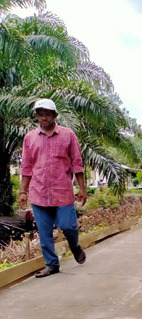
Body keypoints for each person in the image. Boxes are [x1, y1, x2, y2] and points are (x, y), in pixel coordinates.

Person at [19, 98, 87, 278]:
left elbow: (77, 164)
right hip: (39, 193)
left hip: (62, 192)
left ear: (55, 115)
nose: (43, 118)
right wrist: (23, 191)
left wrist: (82, 189)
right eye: (40, 114)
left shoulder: (68, 135)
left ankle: (74, 246)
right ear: (37, 117)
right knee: (44, 233)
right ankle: (52, 265)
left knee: (68, 226)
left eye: (47, 114)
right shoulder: (30, 138)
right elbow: (26, 167)